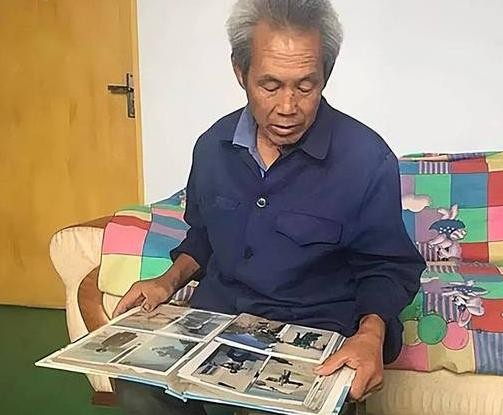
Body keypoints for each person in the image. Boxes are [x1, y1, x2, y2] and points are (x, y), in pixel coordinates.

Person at [113, 1, 426, 414]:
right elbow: (204, 235)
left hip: (307, 336)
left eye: (305, 86)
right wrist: (167, 282)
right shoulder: (213, 147)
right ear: (240, 72)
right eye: (270, 85)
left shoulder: (366, 158)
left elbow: (387, 266)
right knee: (135, 384)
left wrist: (370, 334)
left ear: (326, 74)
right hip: (217, 322)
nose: (288, 107)